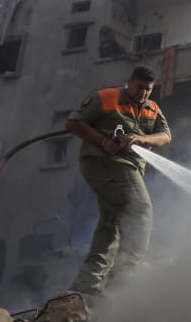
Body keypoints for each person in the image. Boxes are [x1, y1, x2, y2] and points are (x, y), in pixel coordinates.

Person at [64, 66, 172, 296]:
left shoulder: (152, 108)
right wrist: (103, 142)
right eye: (140, 87)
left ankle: (87, 283)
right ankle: (126, 279)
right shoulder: (106, 97)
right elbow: (74, 123)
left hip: (127, 167)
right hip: (105, 162)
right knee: (141, 210)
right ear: (129, 82)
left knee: (110, 223)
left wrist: (141, 138)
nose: (144, 93)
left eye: (148, 89)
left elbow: (165, 136)